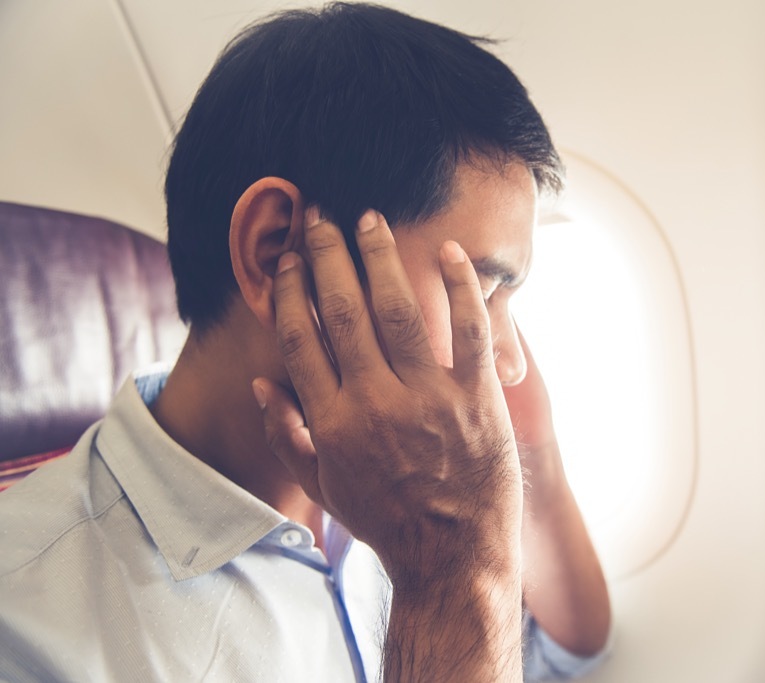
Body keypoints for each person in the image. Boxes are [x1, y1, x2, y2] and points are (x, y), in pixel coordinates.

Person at [0, 3, 611, 682]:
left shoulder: (390, 476)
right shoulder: (27, 625)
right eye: (478, 286)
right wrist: (448, 569)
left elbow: (564, 652)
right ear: (274, 251)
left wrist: (532, 449)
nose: (510, 359)